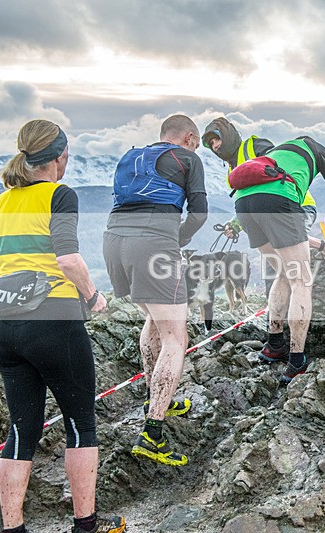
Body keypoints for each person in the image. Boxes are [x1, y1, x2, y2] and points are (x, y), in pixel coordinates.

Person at [0, 120, 124, 533]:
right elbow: (68, 259)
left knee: (20, 430)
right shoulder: (61, 195)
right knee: (81, 425)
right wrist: (94, 297)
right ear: (60, 157)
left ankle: (13, 528)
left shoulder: (1, 202)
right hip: (55, 324)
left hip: (7, 330)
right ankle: (86, 524)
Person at [102, 114, 208, 467]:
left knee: (153, 318)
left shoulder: (130, 156)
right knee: (177, 337)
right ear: (190, 137)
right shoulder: (188, 158)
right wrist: (174, 240)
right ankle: (152, 433)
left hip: (114, 241)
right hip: (154, 243)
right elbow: (200, 214)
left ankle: (156, 397)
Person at [226, 134, 325, 383]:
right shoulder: (317, 151)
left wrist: (320, 245)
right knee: (301, 280)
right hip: (278, 199)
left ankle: (274, 343)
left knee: (284, 273)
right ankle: (296, 359)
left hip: (243, 204)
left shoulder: (277, 154)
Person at [200, 118, 325, 297]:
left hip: (298, 205)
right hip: (269, 212)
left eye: (217, 140)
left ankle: (296, 312)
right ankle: (276, 316)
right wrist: (236, 225)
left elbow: (278, 173)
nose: (215, 147)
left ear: (228, 135)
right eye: (211, 144)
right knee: (273, 266)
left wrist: (321, 245)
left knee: (288, 259)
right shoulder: (231, 169)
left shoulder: (254, 146)